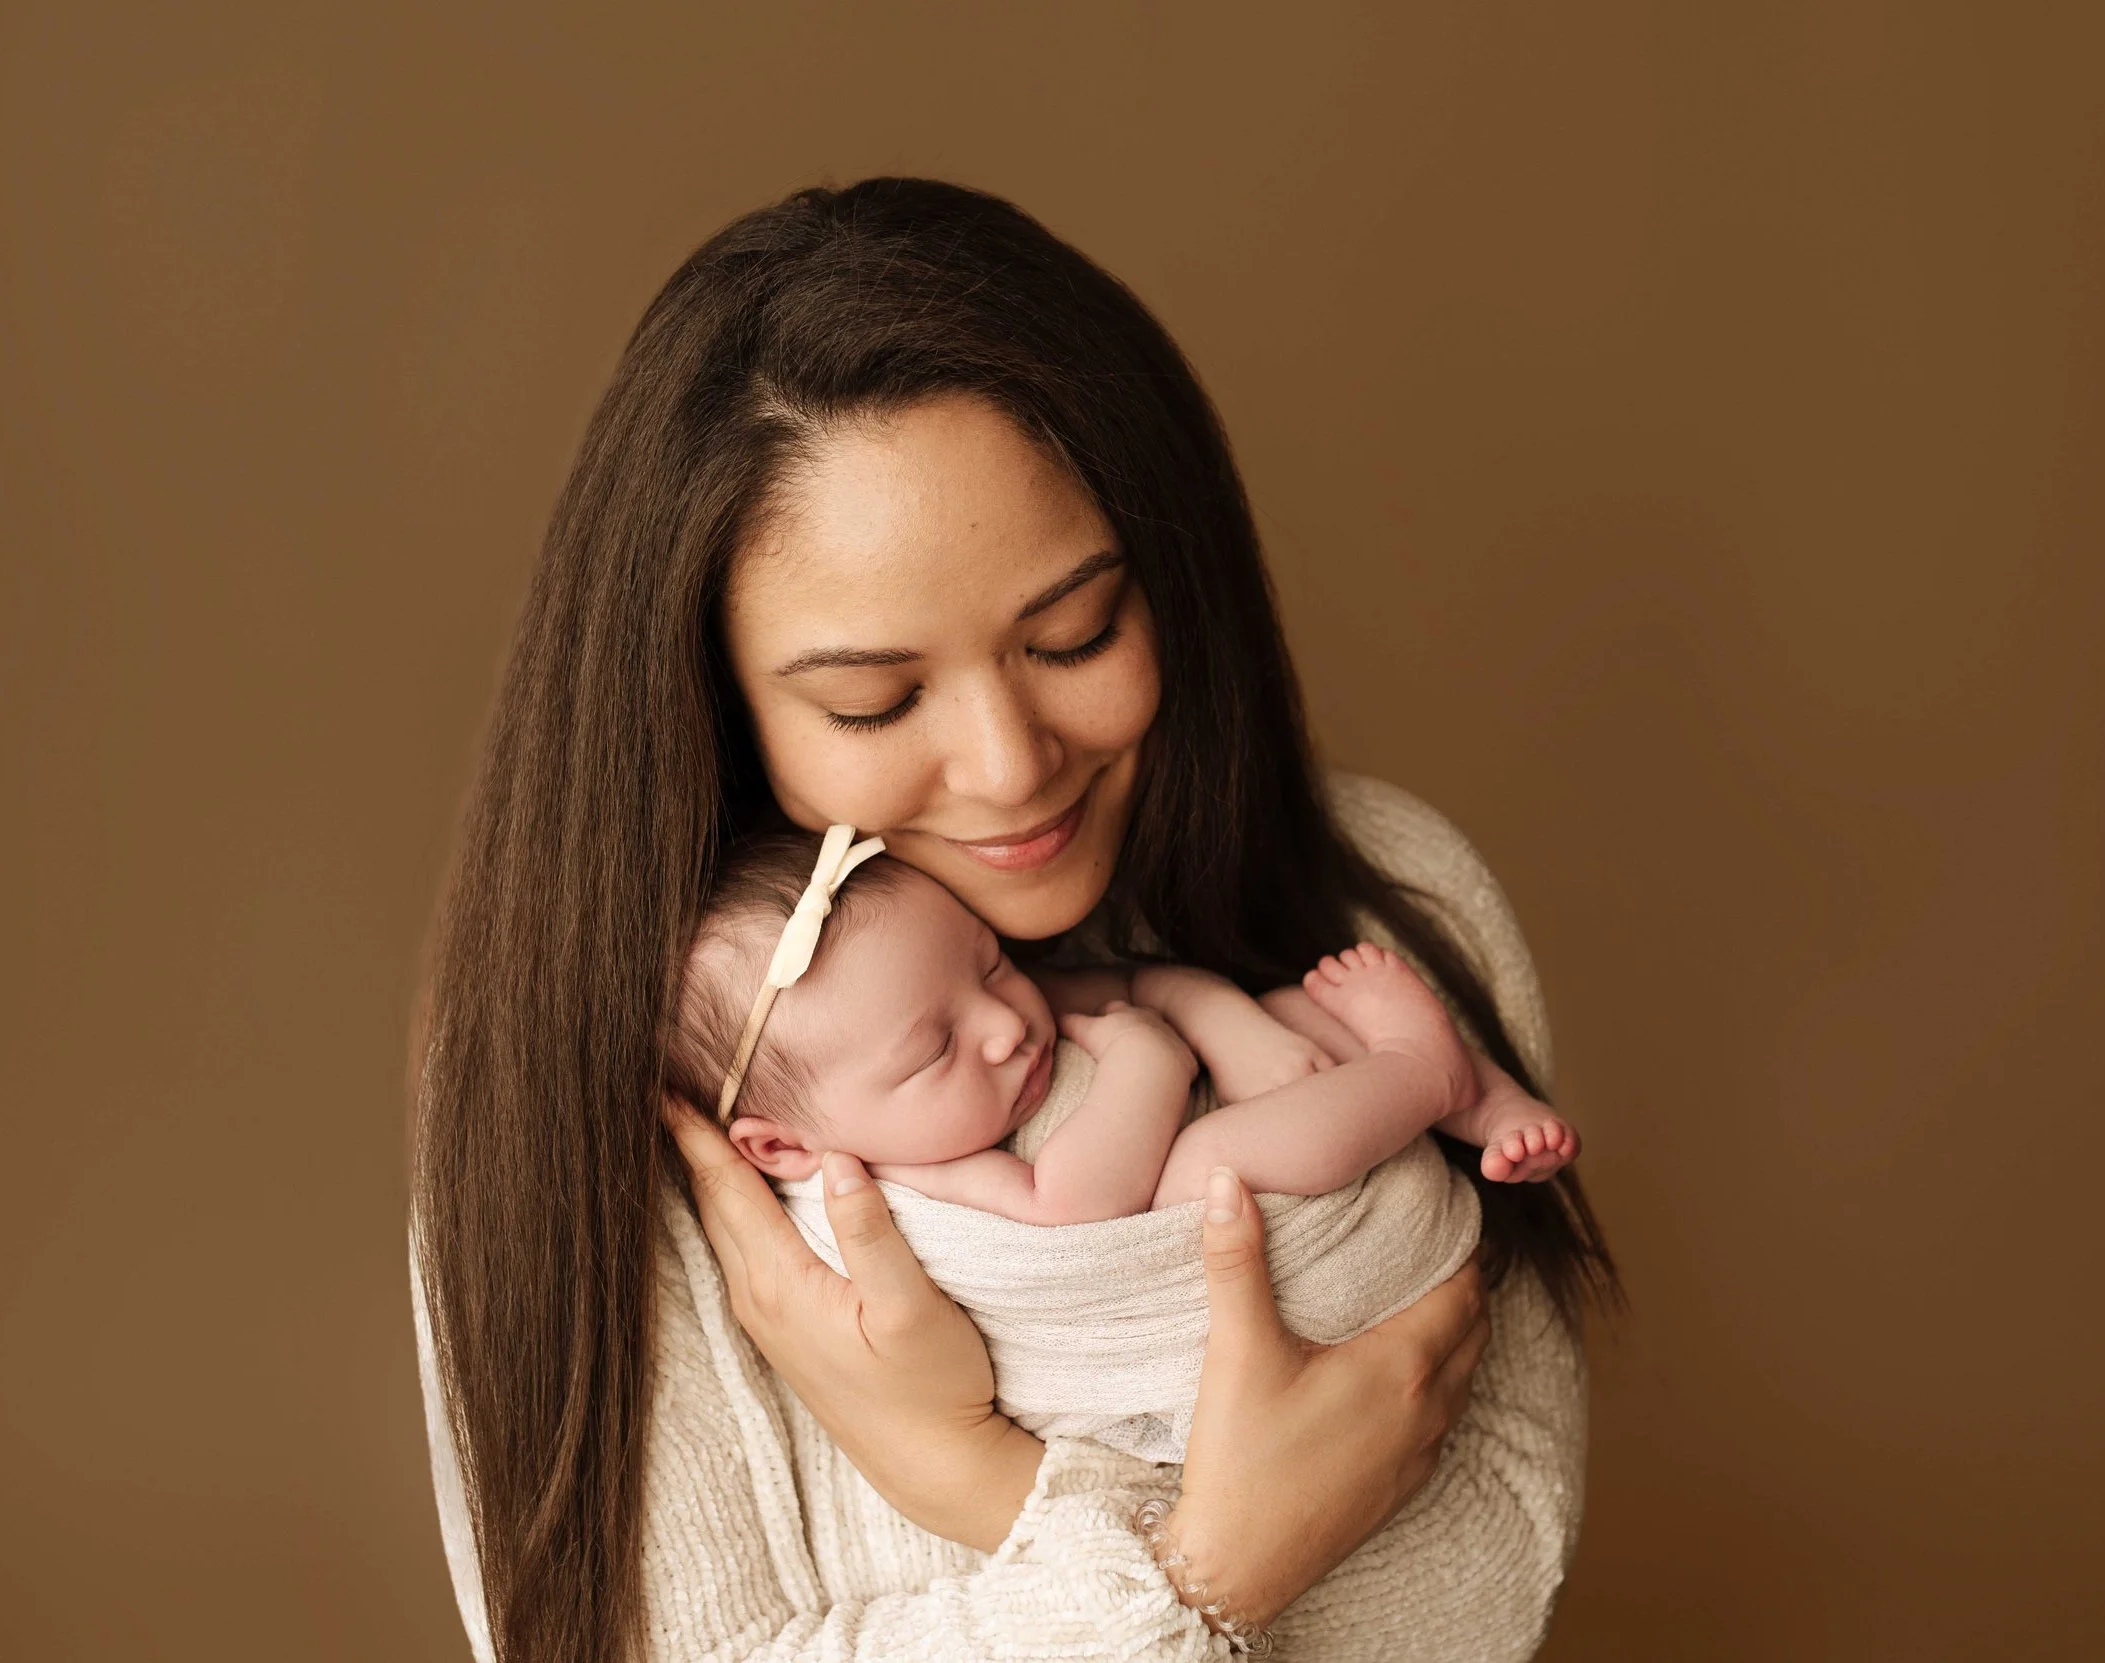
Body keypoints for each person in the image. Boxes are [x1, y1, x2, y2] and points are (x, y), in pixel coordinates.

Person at [411, 176, 1615, 1661]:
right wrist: (1200, 1561)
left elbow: (1493, 1558)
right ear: (711, 701)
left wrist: (974, 1477)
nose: (1009, 764)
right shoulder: (622, 1120)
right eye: (875, 699)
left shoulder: (1393, 898)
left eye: (1074, 634)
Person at [669, 828, 1579, 1219]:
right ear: (782, 1147)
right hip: (1190, 1199)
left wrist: (1233, 1026)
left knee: (1291, 1010)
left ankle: (1483, 1105)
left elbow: (1147, 982)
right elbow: (1072, 1203)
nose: (1004, 1023)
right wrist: (1149, 1056)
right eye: (936, 1049)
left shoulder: (978, 1023)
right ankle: (1424, 1072)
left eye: (990, 960)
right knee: (1206, 1164)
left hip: (1254, 1085)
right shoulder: (898, 1177)